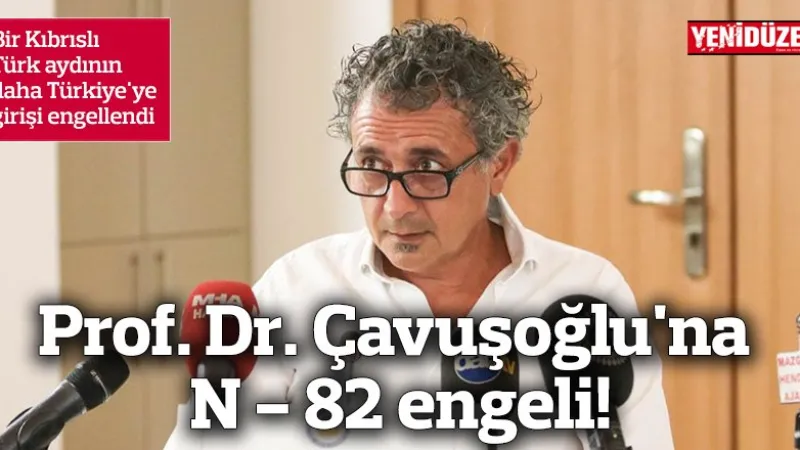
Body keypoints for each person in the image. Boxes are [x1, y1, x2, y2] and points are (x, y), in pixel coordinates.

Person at [164, 19, 674, 450]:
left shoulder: (585, 293)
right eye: (372, 166)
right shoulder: (298, 287)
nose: (395, 206)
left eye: (427, 168)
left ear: (499, 164)